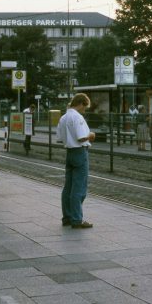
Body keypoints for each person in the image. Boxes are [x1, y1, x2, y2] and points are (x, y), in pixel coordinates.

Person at [56, 93, 96, 229]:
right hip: (80, 152)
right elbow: (81, 137)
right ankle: (77, 219)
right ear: (80, 104)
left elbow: (60, 138)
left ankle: (67, 217)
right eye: (85, 107)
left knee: (68, 187)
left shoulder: (63, 117)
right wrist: (90, 135)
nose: (85, 110)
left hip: (69, 152)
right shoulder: (77, 117)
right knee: (79, 188)